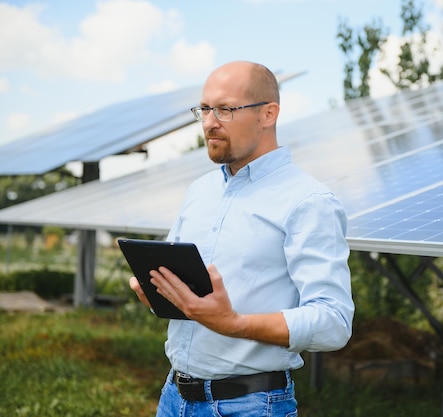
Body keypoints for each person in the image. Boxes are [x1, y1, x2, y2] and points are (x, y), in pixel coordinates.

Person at [129, 61, 354, 417]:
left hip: (250, 406)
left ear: (268, 113)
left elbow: (333, 323)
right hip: (174, 399)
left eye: (225, 109)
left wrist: (235, 324)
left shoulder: (308, 202)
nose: (208, 122)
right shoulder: (200, 191)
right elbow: (187, 294)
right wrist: (157, 290)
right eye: (204, 109)